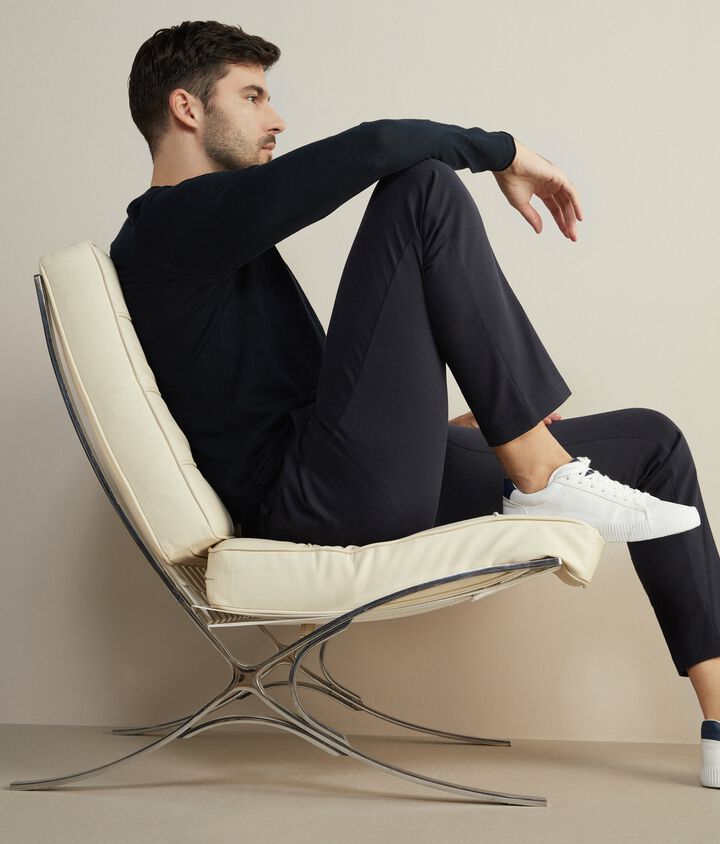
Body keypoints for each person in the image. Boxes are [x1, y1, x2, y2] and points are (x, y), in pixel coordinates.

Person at [110, 19, 720, 788]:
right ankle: (539, 471)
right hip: (312, 499)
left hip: (342, 474)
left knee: (653, 442)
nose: (277, 118)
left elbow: (291, 398)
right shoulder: (170, 226)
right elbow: (377, 147)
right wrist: (505, 152)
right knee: (423, 187)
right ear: (187, 108)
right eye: (254, 96)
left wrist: (443, 427)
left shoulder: (206, 236)